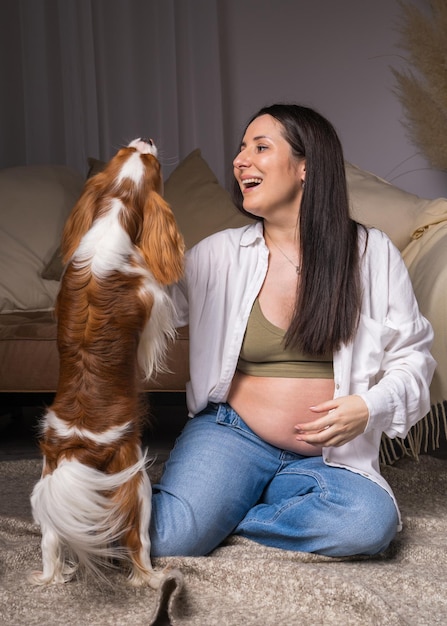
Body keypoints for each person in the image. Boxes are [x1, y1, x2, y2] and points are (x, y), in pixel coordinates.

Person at [150, 103, 436, 558]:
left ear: (306, 167)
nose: (240, 160)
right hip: (231, 433)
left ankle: (228, 513)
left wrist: (369, 406)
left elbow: (415, 359)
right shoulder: (217, 255)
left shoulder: (371, 254)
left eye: (260, 147)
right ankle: (213, 507)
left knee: (367, 524)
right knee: (169, 540)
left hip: (326, 458)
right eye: (241, 148)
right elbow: (149, 313)